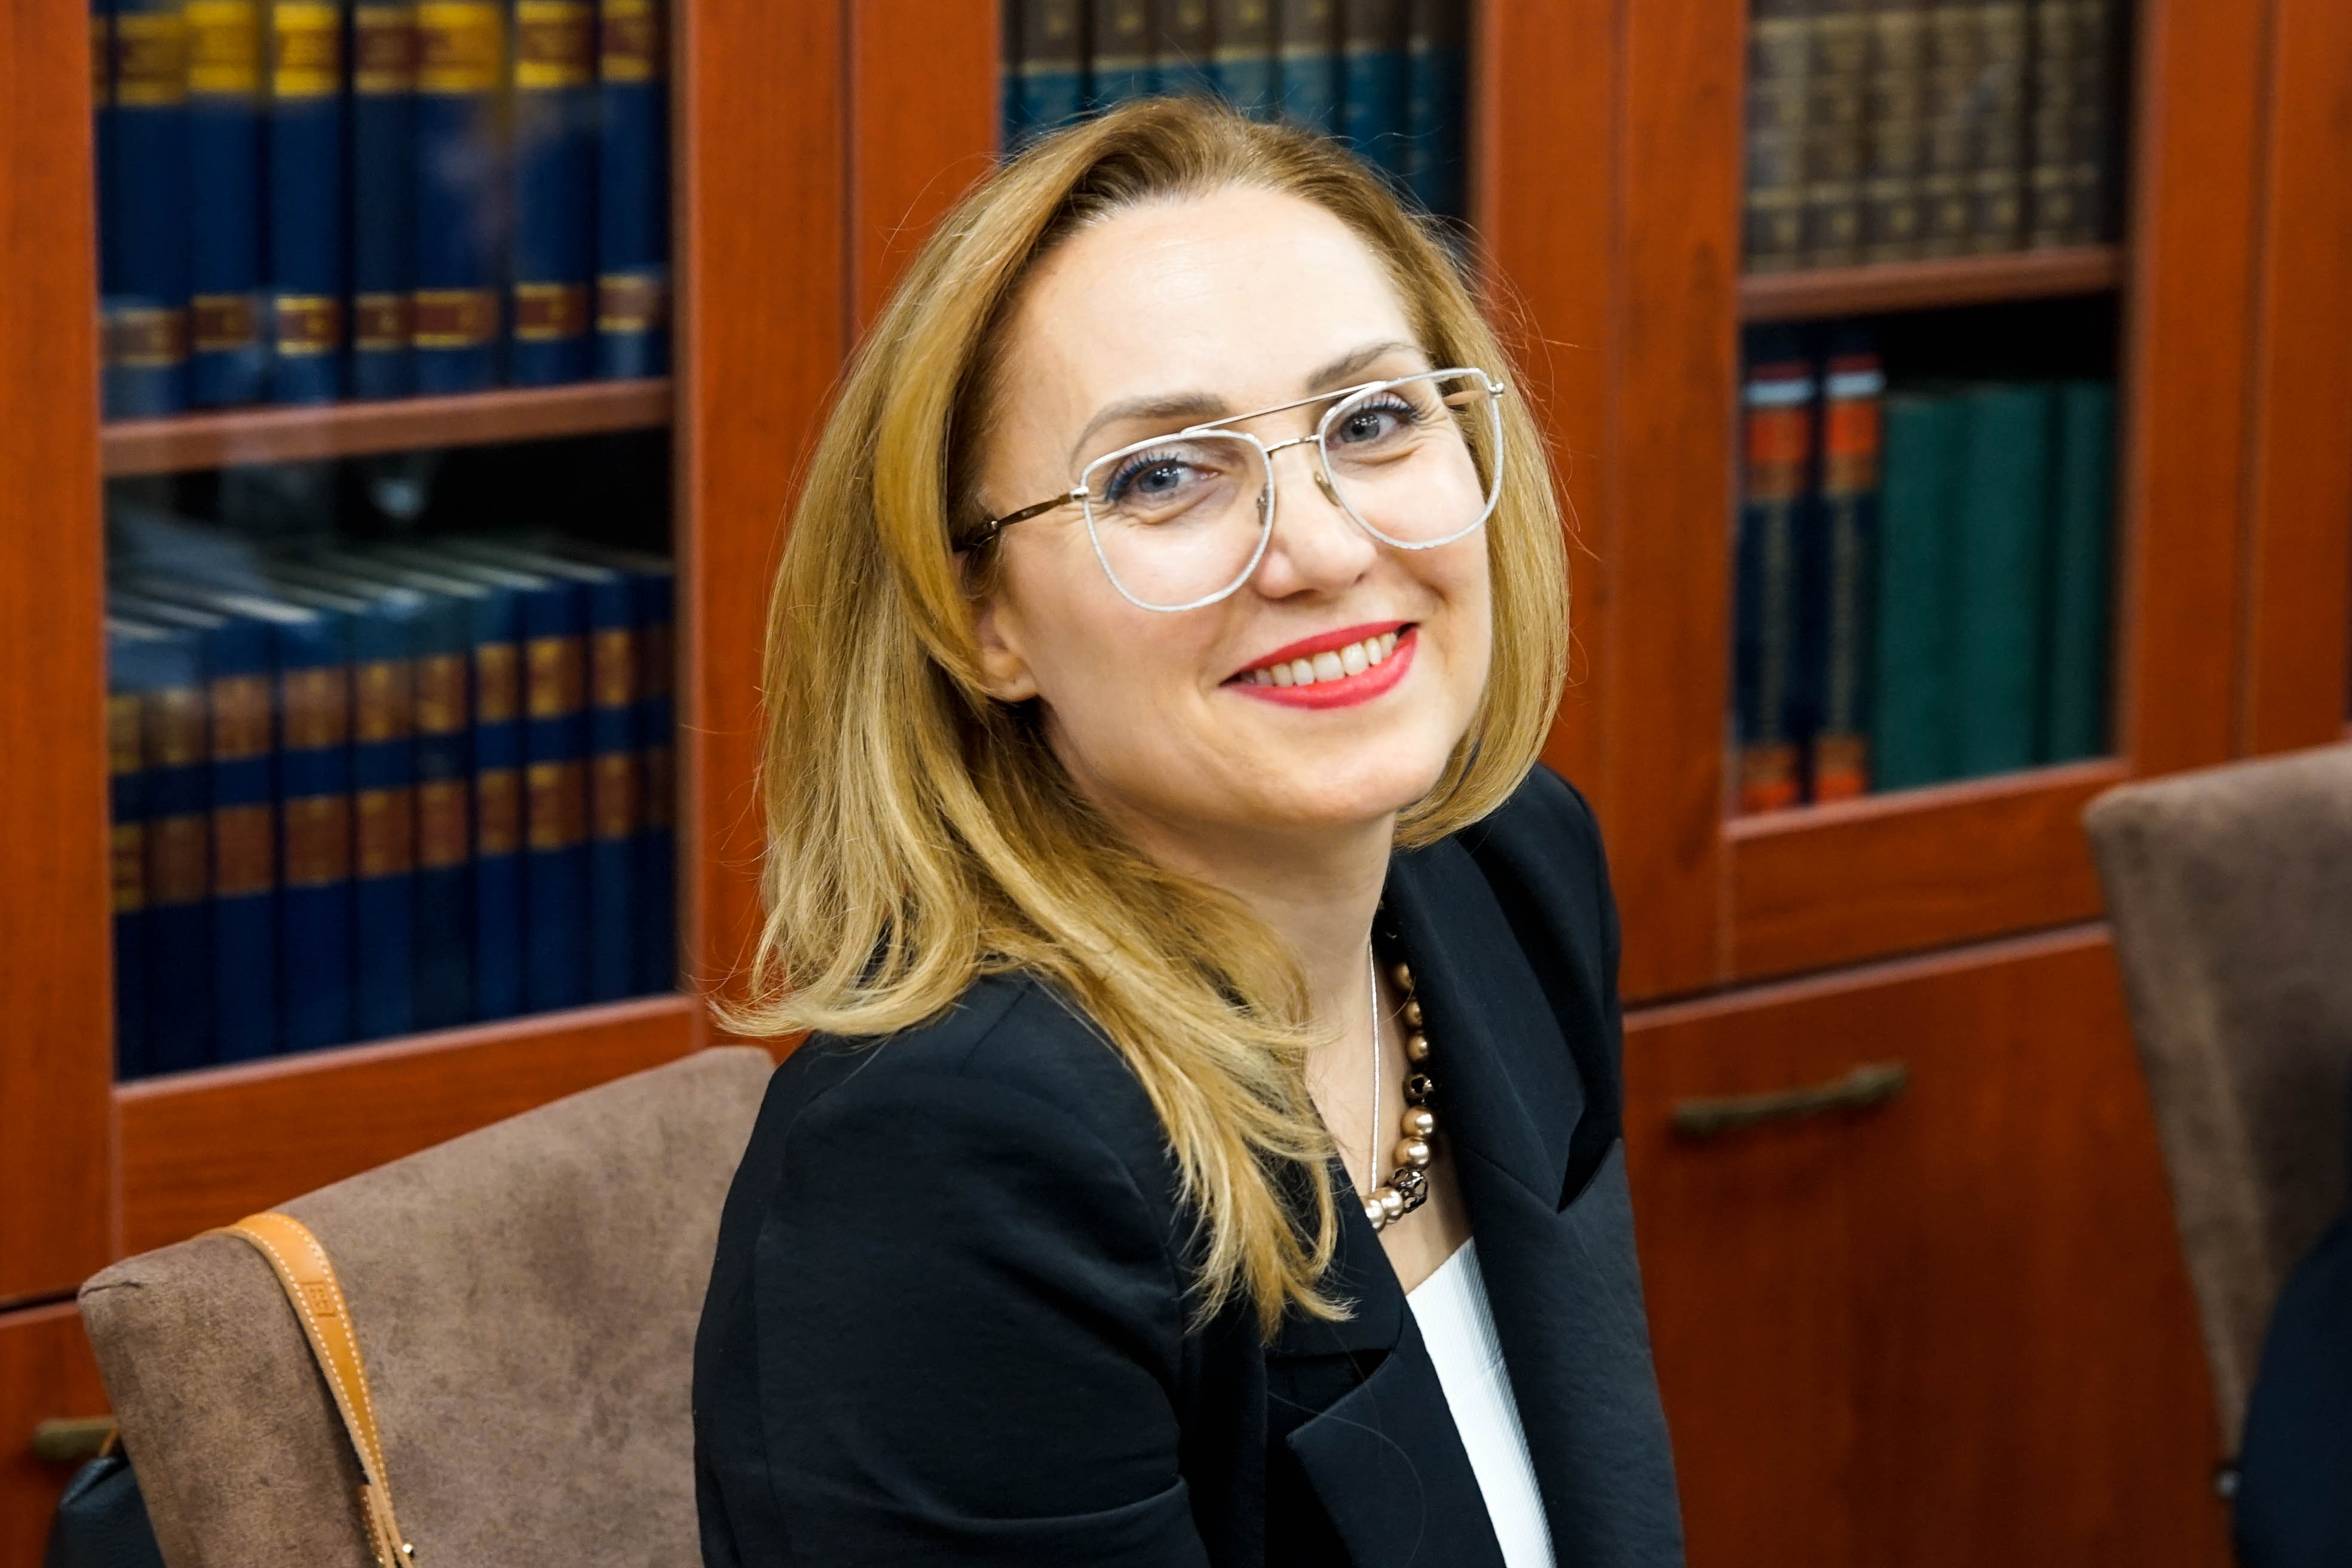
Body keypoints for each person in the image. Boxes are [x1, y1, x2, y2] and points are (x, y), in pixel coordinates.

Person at [694, 96, 1684, 1567]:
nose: (1326, 548)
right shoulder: (951, 1165)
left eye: (1373, 420)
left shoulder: (1507, 873)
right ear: (982, 618)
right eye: (1163, 474)